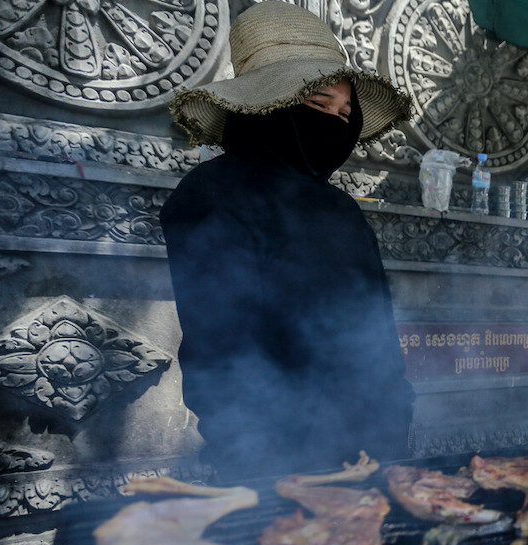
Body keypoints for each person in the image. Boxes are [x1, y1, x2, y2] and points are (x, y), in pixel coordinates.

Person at [161, 1, 416, 480]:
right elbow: (220, 351)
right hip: (273, 459)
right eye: (319, 106)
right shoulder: (211, 195)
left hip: (370, 449)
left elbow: (378, 335)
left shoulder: (341, 209)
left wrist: (395, 423)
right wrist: (259, 459)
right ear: (266, 109)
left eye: (345, 114)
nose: (335, 124)